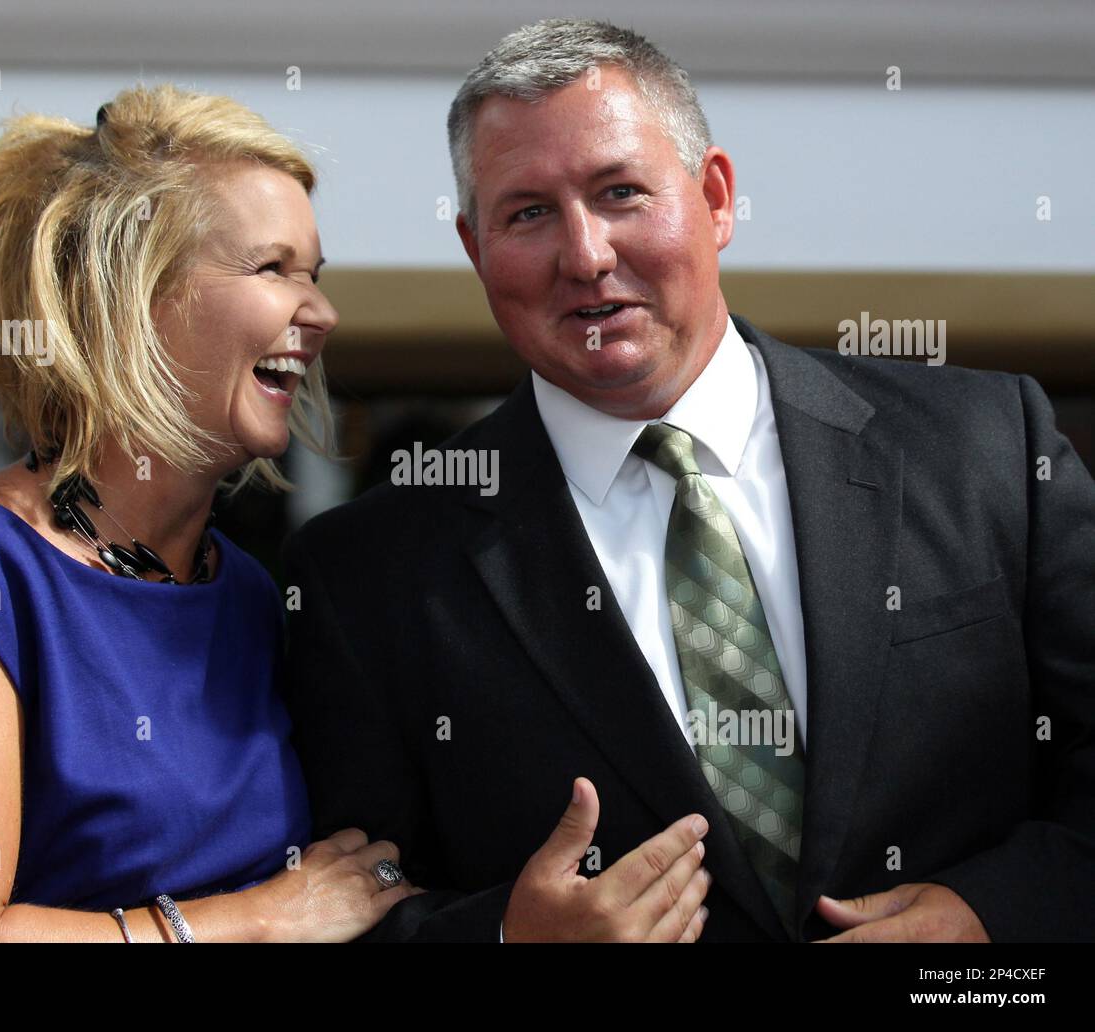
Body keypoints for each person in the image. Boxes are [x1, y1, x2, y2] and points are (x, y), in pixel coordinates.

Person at [280, 19, 1095, 942]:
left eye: (621, 191)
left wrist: (990, 919)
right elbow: (354, 905)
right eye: (528, 213)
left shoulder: (985, 448)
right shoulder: (367, 574)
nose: (584, 255)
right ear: (474, 248)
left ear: (714, 198)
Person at [0, 83, 419, 942]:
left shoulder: (240, 590)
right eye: (273, 268)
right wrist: (259, 918)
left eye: (315, 276)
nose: (320, 313)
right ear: (135, 299)